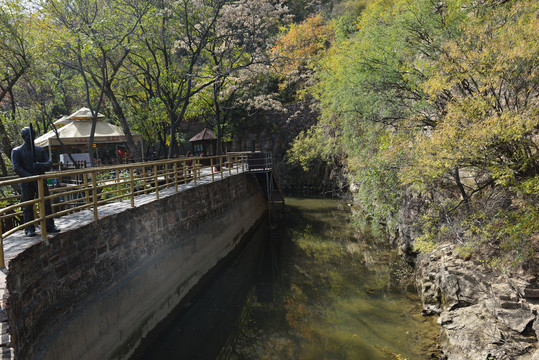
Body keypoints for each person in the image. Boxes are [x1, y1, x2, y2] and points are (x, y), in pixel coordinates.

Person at [11, 126, 60, 237]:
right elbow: (16, 167)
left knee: (46, 203)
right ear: (23, 137)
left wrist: (40, 165)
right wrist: (31, 176)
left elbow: (49, 163)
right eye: (28, 135)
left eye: (32, 135)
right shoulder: (17, 151)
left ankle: (49, 225)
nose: (30, 137)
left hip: (41, 181)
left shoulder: (39, 150)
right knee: (28, 206)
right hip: (27, 182)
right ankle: (29, 228)